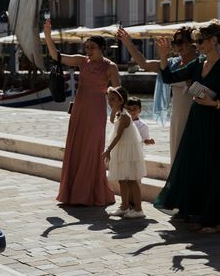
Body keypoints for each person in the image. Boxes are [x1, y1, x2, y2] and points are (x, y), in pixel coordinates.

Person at [44, 19, 121, 206]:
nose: (88, 50)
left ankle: (88, 193)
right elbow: (57, 56)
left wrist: (116, 112)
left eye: (92, 47)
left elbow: (118, 92)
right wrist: (47, 35)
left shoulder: (111, 67)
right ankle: (73, 193)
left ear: (102, 48)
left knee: (92, 149)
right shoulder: (81, 61)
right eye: (86, 47)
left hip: (96, 110)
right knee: (76, 147)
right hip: (79, 109)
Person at [154, 20, 220, 233]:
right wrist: (163, 56)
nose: (197, 45)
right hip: (197, 121)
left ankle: (214, 220)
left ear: (214, 40)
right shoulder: (198, 64)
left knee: (214, 169)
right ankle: (200, 213)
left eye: (200, 41)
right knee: (196, 165)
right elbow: (169, 77)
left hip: (216, 123)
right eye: (196, 41)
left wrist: (214, 103)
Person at [118, 26, 196, 161]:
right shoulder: (171, 64)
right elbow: (144, 64)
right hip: (178, 116)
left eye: (180, 42)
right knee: (178, 155)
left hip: (197, 113)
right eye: (174, 43)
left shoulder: (202, 63)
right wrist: (128, 43)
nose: (177, 46)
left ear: (191, 43)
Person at [104, 86, 147, 218]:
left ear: (121, 101)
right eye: (108, 99)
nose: (110, 102)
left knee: (131, 180)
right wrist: (112, 111)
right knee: (122, 179)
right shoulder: (119, 114)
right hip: (122, 150)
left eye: (113, 99)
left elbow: (118, 135)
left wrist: (108, 149)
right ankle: (124, 206)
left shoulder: (124, 116)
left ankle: (139, 209)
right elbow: (112, 121)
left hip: (127, 151)